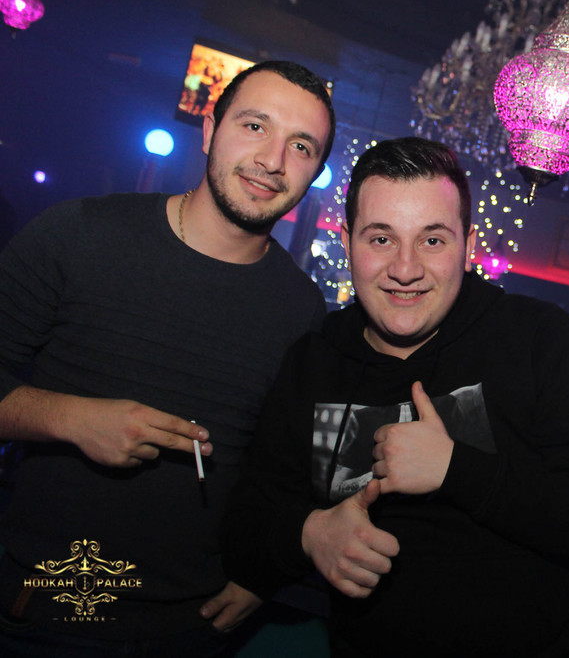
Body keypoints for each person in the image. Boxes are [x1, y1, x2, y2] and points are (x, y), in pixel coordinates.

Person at [223, 137, 569, 657]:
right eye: (381, 239)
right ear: (347, 242)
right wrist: (309, 533)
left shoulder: (539, 341)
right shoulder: (314, 359)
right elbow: (245, 523)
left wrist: (456, 469)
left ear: (468, 244)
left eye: (432, 240)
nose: (405, 268)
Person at [0, 60, 334, 655]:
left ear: (314, 171)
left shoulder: (302, 310)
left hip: (193, 630)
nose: (273, 159)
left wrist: (264, 572)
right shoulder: (79, 234)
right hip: (45, 616)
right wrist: (71, 419)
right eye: (255, 126)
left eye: (301, 146)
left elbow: (289, 471)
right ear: (210, 130)